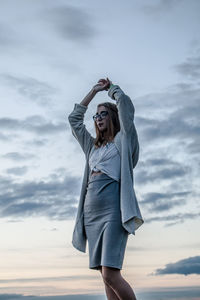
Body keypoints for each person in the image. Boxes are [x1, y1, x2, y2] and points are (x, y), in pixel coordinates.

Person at [68, 77, 144, 300]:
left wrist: (112, 89)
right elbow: (74, 120)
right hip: (91, 214)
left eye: (103, 114)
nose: (98, 118)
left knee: (111, 273)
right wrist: (93, 91)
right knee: (104, 275)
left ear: (113, 117)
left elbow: (127, 107)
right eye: (96, 115)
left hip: (113, 212)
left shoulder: (123, 140)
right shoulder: (92, 146)